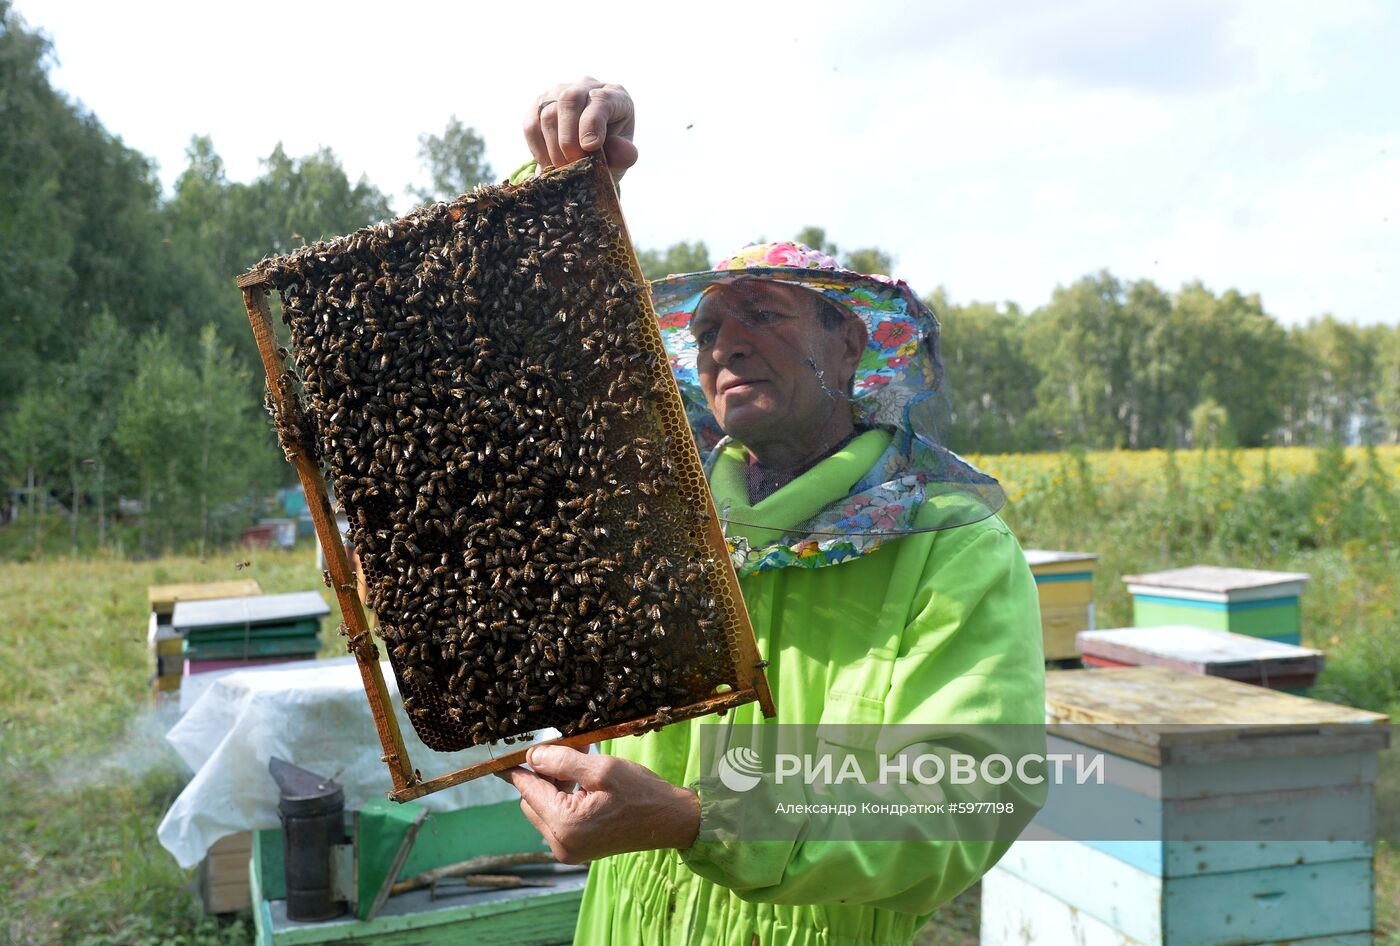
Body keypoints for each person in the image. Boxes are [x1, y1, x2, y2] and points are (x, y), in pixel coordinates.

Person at [497, 77, 1046, 946]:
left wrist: (693, 816)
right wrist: (561, 194)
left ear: (851, 341)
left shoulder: (950, 548)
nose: (727, 343)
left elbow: (964, 799)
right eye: (709, 329)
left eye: (764, 313)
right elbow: (501, 404)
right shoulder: (657, 526)